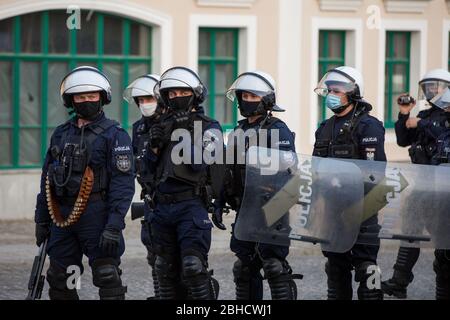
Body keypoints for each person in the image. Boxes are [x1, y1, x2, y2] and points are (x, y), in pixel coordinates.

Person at [34, 66, 135, 300]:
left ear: (102, 97)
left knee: (106, 274)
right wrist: (41, 219)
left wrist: (114, 225)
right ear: (71, 100)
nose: (86, 101)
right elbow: (46, 179)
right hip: (62, 217)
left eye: (92, 96)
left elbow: (123, 183)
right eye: (80, 97)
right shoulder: (60, 134)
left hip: (97, 215)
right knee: (63, 278)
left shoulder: (115, 134)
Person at [213, 71, 300, 300]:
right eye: (244, 96)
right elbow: (228, 171)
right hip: (244, 210)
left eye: (253, 96)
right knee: (243, 268)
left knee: (274, 266)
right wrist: (219, 201)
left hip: (272, 209)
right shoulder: (238, 131)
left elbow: (290, 172)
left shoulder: (277, 129)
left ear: (267, 100)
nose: (246, 101)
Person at [146, 66, 221, 300]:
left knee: (193, 266)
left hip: (190, 205)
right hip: (162, 208)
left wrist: (182, 135)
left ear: (195, 94)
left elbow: (200, 163)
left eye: (182, 92)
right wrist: (154, 147)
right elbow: (146, 170)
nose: (177, 97)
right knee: (163, 269)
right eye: (172, 93)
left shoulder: (209, 126)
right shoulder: (160, 124)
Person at [313, 66, 386, 300]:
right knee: (335, 269)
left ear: (353, 93)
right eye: (329, 90)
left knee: (368, 269)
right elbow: (316, 169)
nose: (331, 94)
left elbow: (375, 174)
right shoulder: (324, 129)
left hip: (363, 210)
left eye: (337, 90)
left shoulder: (369, 126)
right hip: (333, 211)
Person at [382, 68, 450, 298]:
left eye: (436, 86)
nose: (432, 90)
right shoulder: (427, 114)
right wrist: (404, 115)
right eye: (428, 86)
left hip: (444, 190)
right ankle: (399, 282)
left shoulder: (443, 118)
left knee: (444, 244)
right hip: (423, 186)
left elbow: (441, 133)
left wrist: (419, 124)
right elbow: (402, 140)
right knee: (409, 233)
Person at [124, 74, 164, 299]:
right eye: (140, 99)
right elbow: (134, 161)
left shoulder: (171, 125)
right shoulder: (138, 127)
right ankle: (160, 294)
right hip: (149, 198)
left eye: (149, 98)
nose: (144, 103)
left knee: (177, 259)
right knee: (152, 254)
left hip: (175, 199)